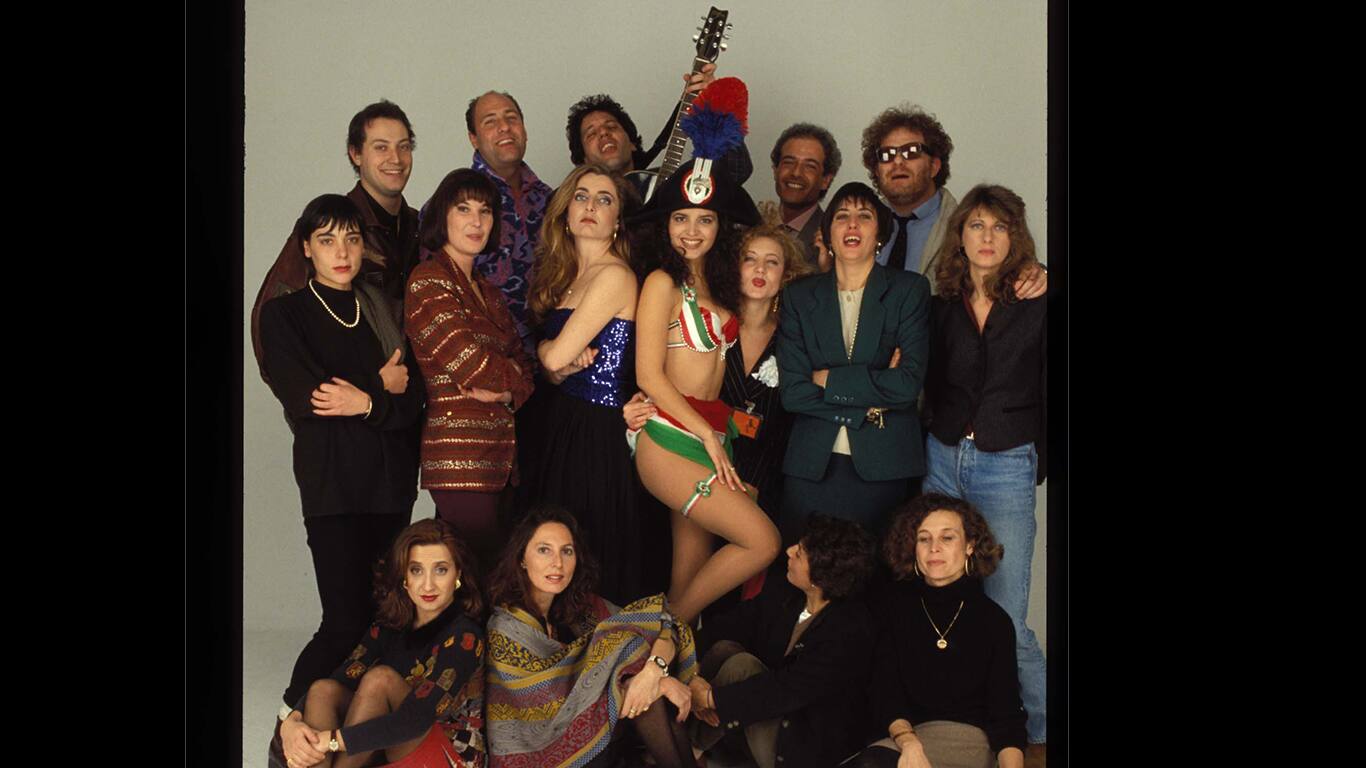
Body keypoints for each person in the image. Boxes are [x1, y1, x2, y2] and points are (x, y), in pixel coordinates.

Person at [260, 193, 425, 719]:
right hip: (333, 488)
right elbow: (309, 399)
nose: (342, 251)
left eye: (352, 239)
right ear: (306, 247)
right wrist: (377, 388)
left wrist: (364, 401)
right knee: (343, 619)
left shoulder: (381, 310)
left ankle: (357, 722)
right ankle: (290, 718)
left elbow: (412, 404)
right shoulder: (284, 315)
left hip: (390, 485)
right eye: (327, 240)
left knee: (386, 616)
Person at [628, 77, 782, 625]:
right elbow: (649, 375)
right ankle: (658, 642)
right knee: (762, 540)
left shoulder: (720, 287)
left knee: (687, 580)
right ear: (665, 224)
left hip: (712, 434)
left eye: (705, 219)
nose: (691, 231)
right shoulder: (660, 284)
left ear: (721, 225)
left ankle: (662, 660)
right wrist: (706, 438)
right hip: (672, 436)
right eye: (680, 218)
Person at [921, 184, 1048, 751]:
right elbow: (930, 380)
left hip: (1007, 461)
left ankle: (1043, 734)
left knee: (1005, 614)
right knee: (939, 596)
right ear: (961, 236)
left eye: (1000, 226)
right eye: (977, 225)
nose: (988, 237)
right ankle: (955, 726)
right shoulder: (942, 304)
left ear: (1015, 236)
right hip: (943, 456)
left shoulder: (1039, 300)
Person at [483, 505, 699, 768]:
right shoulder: (506, 630)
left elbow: (662, 621)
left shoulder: (581, 609)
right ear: (522, 559)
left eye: (567, 551)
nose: (557, 563)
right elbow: (554, 709)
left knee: (643, 675)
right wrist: (657, 684)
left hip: (604, 737)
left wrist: (654, 672)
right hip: (547, 753)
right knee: (640, 675)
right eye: (544, 550)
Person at [776, 182, 928, 546]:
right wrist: (870, 402)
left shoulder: (909, 290)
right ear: (828, 233)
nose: (852, 225)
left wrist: (827, 379)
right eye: (842, 216)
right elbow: (793, 393)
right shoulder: (799, 296)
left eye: (865, 216)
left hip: (883, 465)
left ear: (881, 233)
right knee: (803, 569)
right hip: (811, 466)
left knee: (874, 573)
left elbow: (906, 386)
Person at [272, 519, 488, 768]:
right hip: (391, 744)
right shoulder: (389, 625)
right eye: (416, 570)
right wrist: (292, 722)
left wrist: (331, 741)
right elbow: (341, 678)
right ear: (404, 577)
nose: (428, 584)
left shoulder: (465, 637)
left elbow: (416, 719)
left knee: (380, 681)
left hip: (452, 753)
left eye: (441, 570)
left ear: (458, 574)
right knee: (324, 690)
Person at [405, 169, 535, 574]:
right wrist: (510, 377)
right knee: (476, 580)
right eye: (463, 209)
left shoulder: (488, 290)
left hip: (502, 461)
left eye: (485, 210)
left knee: (495, 579)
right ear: (442, 216)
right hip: (460, 462)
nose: (476, 221)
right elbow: (472, 365)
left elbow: (526, 368)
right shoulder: (428, 281)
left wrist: (509, 390)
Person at [526, 163, 645, 605]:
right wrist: (553, 362)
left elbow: (555, 359)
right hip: (564, 421)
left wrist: (546, 352)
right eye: (581, 196)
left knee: (589, 545)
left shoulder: (615, 275)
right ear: (566, 212)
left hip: (599, 429)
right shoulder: (565, 277)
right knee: (554, 549)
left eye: (604, 199)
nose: (591, 206)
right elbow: (554, 370)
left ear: (617, 220)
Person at [848, 493, 1026, 768]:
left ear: (970, 545)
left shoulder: (994, 621)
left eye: (947, 537)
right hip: (902, 737)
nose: (934, 548)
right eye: (924, 538)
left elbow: (1007, 716)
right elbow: (885, 692)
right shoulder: (893, 607)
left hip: (967, 741)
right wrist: (909, 743)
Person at [686, 515, 876, 768]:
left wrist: (710, 699)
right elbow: (730, 624)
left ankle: (686, 751)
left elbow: (787, 689)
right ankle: (689, 746)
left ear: (820, 576)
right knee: (724, 649)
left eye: (799, 553)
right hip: (771, 714)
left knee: (740, 666)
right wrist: (690, 670)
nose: (789, 551)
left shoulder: (849, 629)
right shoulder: (788, 593)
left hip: (804, 743)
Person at [253, 100, 422, 383]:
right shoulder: (324, 228)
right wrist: (311, 399)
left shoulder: (422, 226)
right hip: (348, 400)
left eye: (404, 147)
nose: (396, 158)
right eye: (381, 147)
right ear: (356, 154)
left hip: (412, 400)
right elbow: (270, 326)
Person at [860, 105, 1046, 299]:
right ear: (877, 170)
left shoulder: (967, 228)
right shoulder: (859, 226)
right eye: (886, 155)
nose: (897, 162)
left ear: (934, 166)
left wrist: (1038, 273)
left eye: (911, 152)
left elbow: (1015, 270)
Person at [766, 123, 840, 270]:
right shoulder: (750, 227)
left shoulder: (833, 239)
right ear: (775, 170)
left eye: (809, 166)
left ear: (826, 180)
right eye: (789, 162)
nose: (796, 173)